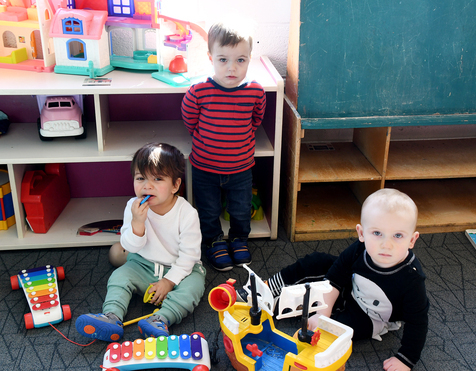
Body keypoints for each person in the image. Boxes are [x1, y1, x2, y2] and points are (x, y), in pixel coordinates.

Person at [238, 188, 429, 371]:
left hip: (372, 315)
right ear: (361, 233)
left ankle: (274, 306)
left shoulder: (412, 278)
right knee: (317, 261)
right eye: (377, 233)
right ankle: (269, 288)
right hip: (351, 286)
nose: (386, 244)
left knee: (335, 332)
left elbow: (418, 322)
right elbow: (335, 277)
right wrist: (323, 310)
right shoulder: (359, 249)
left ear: (412, 240)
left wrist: (406, 358)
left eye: (398, 236)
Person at [75, 143, 206, 342]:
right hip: (142, 264)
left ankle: (161, 319)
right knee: (119, 276)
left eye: (158, 179)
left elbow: (190, 256)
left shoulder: (187, 213)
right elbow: (131, 246)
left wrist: (169, 282)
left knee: (194, 286)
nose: (147, 185)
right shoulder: (132, 207)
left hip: (181, 269)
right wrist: (137, 222)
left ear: (175, 186)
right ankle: (111, 316)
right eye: (140, 178)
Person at [181, 22, 266, 272]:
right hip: (205, 167)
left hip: (240, 169)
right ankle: (214, 242)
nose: (232, 68)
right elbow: (189, 119)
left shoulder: (255, 91)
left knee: (241, 209)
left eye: (240, 60)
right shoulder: (199, 91)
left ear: (250, 59)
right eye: (223, 59)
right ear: (210, 58)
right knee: (208, 210)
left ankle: (239, 240)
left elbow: (256, 120)